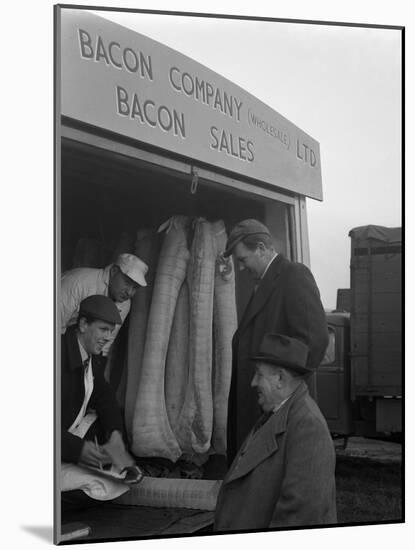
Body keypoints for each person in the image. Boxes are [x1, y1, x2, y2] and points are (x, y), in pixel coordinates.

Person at [224, 218, 329, 462]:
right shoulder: (263, 284)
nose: (240, 267)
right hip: (261, 405)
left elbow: (314, 340)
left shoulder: (294, 275)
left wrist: (283, 394)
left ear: (261, 248)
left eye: (242, 259)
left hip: (276, 409)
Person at [214, 333, 337, 532]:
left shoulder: (308, 426)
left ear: (280, 378)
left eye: (259, 374)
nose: (253, 382)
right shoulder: (277, 413)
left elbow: (302, 516)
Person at [61, 295, 136, 474]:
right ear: (83, 324)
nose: (108, 337)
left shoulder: (92, 358)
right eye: (103, 329)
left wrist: (116, 435)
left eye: (111, 331)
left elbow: (105, 398)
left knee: (117, 482)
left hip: (68, 437)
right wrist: (77, 449)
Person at [61, 253, 148, 356]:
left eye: (135, 288)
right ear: (114, 271)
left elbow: (106, 343)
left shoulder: (125, 303)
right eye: (127, 283)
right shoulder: (78, 283)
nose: (129, 292)